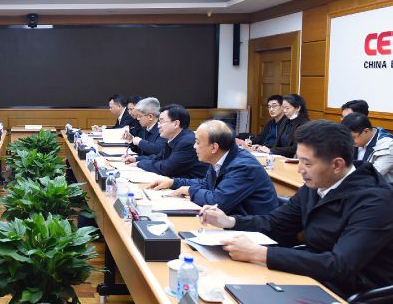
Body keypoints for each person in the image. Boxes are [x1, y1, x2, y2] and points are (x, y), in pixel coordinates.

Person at [199, 120, 393, 298]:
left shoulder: (375, 202)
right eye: (298, 160)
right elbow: (276, 223)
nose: (300, 169)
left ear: (337, 165)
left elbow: (340, 265)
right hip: (313, 274)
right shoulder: (317, 184)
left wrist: (260, 254)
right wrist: (230, 221)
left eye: (307, 163)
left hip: (354, 289)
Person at [150, 120, 279, 215]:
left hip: (253, 231)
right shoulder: (221, 156)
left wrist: (189, 190)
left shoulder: (243, 166)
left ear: (214, 147)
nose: (194, 146)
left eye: (198, 142)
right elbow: (206, 184)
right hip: (232, 220)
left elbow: (218, 202)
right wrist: (173, 182)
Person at [342, 112, 393, 183]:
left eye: (352, 137)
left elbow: (371, 176)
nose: (349, 141)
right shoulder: (359, 139)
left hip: (382, 186)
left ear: (366, 131)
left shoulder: (388, 146)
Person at [254, 93, 309, 158]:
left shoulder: (304, 124)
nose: (284, 111)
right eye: (283, 108)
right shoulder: (285, 121)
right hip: (279, 156)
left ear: (297, 108)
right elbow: (277, 143)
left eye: (287, 108)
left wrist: (271, 150)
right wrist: (263, 148)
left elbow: (296, 148)